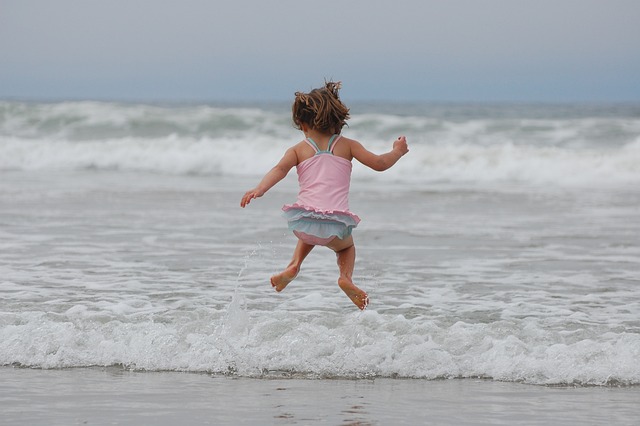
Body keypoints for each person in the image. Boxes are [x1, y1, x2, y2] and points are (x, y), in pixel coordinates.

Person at [240, 81, 408, 310]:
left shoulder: (298, 149)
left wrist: (259, 189)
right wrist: (397, 151)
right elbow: (379, 164)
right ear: (338, 120)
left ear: (303, 124)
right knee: (346, 248)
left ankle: (294, 266)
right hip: (336, 224)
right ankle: (345, 278)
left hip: (304, 221)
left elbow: (279, 170)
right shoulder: (348, 145)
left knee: (310, 225)